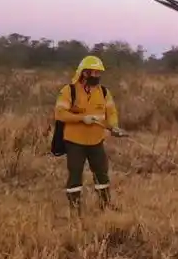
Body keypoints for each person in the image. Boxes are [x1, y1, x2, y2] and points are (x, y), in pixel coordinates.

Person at [54, 55, 126, 215]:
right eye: (94, 72)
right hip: (74, 141)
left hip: (96, 141)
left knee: (101, 172)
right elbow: (59, 114)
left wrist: (114, 127)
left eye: (99, 73)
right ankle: (75, 209)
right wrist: (81, 118)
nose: (97, 76)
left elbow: (111, 112)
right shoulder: (69, 91)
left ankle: (105, 205)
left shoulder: (104, 92)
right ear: (84, 73)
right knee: (75, 172)